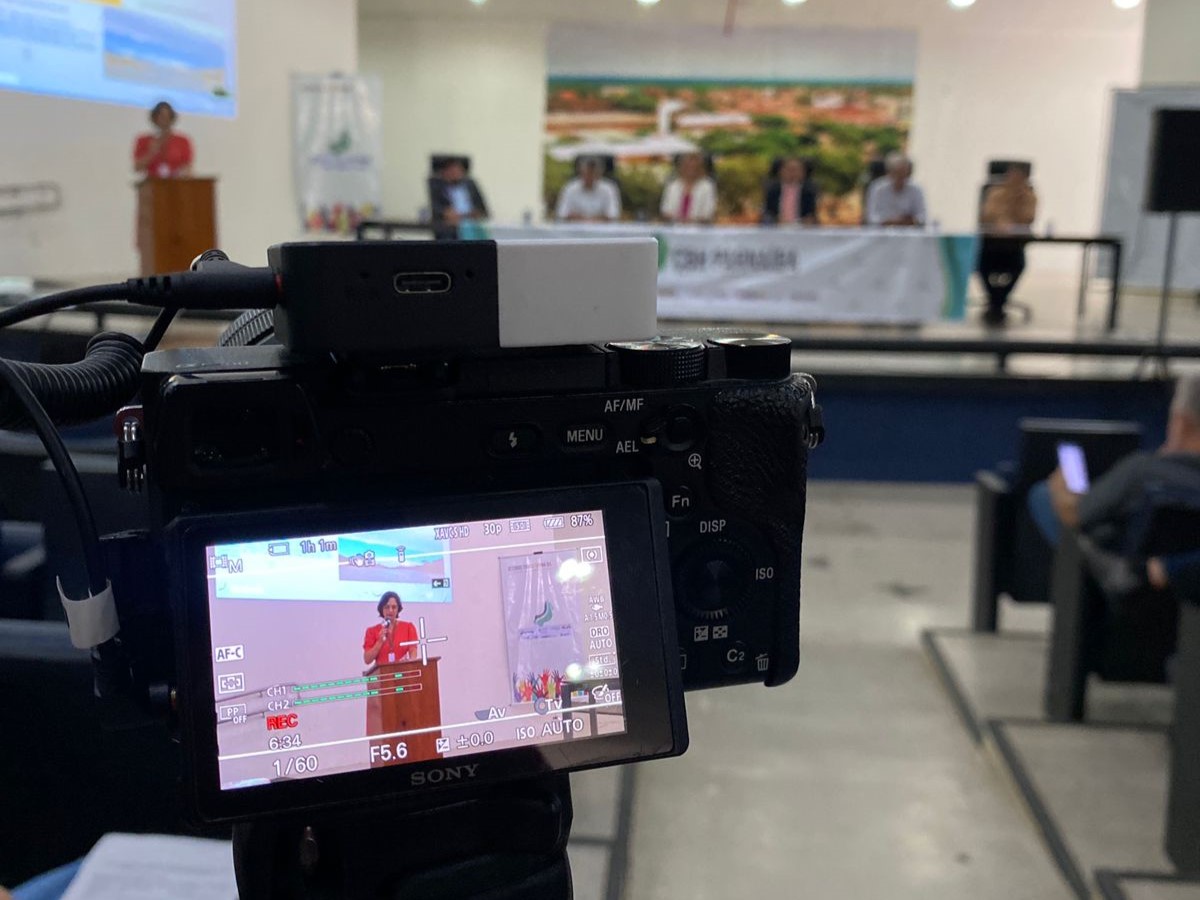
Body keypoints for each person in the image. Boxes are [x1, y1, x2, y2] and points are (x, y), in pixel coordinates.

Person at [1028, 375, 1200, 554]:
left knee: (1041, 494)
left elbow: (1076, 515)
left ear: (1181, 424)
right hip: (1181, 568)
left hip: (1116, 565)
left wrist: (1059, 489)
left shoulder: (1142, 470)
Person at [978, 163, 1038, 325]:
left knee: (1019, 265)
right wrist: (1002, 221)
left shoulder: (1029, 196)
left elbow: (1029, 218)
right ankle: (995, 300)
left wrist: (1017, 201)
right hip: (992, 245)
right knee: (981, 264)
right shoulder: (995, 193)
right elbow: (988, 215)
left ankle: (999, 301)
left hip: (1013, 246)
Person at [429, 157, 489, 237]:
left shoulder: (470, 185)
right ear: (445, 172)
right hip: (451, 224)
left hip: (472, 220)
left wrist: (477, 213)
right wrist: (445, 213)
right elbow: (436, 208)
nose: (455, 173)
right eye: (452, 170)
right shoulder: (438, 187)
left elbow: (483, 209)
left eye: (458, 170)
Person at [132, 101, 193, 179]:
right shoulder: (143, 140)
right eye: (161, 117)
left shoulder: (182, 141)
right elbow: (137, 168)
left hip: (175, 182)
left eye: (167, 117)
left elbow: (187, 167)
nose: (164, 121)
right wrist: (151, 152)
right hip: (152, 182)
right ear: (154, 119)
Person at [865, 153, 926, 227]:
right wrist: (889, 221)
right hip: (882, 232)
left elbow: (922, 217)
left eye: (904, 173)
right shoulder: (878, 188)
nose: (901, 177)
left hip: (909, 232)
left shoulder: (916, 190)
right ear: (889, 172)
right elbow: (871, 218)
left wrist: (909, 220)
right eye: (897, 173)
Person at [555, 157, 621, 222]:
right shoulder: (569, 188)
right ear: (581, 172)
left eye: (593, 173)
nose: (590, 176)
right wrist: (592, 219)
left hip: (602, 228)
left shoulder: (609, 189)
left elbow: (613, 215)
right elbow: (562, 214)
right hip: (574, 227)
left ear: (600, 174)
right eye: (587, 172)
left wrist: (586, 219)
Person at [362, 591, 419, 666]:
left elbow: (413, 651)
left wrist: (410, 662)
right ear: (381, 609)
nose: (390, 610)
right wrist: (379, 642)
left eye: (394, 607)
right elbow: (367, 660)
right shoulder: (372, 631)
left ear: (398, 609)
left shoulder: (408, 627)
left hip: (402, 670)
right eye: (387, 607)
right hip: (382, 672)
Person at [660, 153, 717, 224]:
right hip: (673, 227)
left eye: (694, 167)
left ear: (700, 168)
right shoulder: (673, 185)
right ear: (682, 167)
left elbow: (708, 214)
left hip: (698, 228)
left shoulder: (707, 186)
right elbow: (665, 210)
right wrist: (677, 219)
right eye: (687, 166)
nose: (691, 169)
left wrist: (690, 221)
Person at [761, 157, 818, 226]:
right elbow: (768, 212)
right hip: (777, 227)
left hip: (803, 227)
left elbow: (813, 213)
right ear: (780, 171)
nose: (792, 173)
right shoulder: (772, 190)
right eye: (789, 169)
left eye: (796, 170)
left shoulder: (810, 190)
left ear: (803, 172)